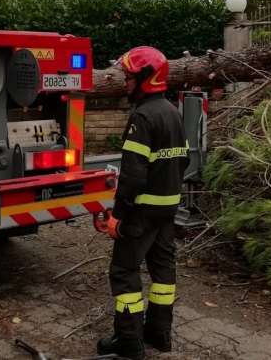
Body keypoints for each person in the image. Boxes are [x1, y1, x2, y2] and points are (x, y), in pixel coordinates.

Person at [97, 46, 190, 360]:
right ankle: (159, 333)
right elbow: (184, 161)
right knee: (163, 273)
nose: (125, 82)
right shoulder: (173, 113)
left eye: (128, 76)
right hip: (167, 211)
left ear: (145, 79)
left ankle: (129, 342)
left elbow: (133, 176)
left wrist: (117, 217)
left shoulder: (143, 116)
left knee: (124, 271)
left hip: (140, 214)